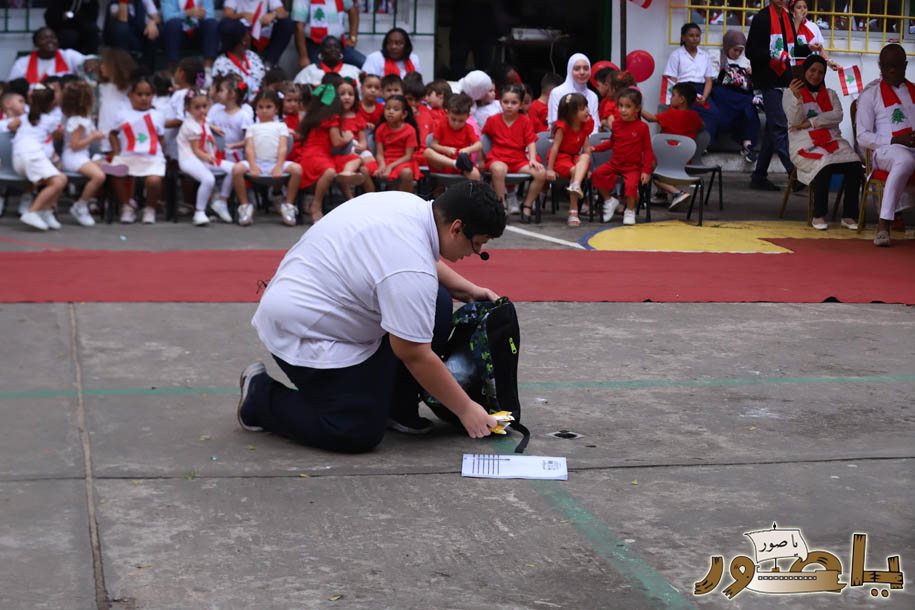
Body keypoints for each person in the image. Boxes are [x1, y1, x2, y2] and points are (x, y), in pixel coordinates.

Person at [237, 182, 506, 452]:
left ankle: (397, 407)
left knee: (437, 301)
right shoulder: (410, 269)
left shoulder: (412, 209)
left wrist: (468, 290)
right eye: (477, 244)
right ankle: (259, 397)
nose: (474, 253)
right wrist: (466, 408)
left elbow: (418, 262)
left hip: (312, 298)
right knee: (355, 428)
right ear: (456, 228)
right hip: (303, 330)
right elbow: (413, 353)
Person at [784, 55, 861, 231]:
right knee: (823, 163)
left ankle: (849, 215)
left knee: (855, 164)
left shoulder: (831, 94)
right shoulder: (790, 93)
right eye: (812, 70)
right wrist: (798, 98)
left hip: (831, 139)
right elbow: (795, 121)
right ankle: (818, 215)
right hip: (804, 142)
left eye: (820, 72)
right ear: (805, 72)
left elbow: (837, 116)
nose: (816, 75)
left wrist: (811, 122)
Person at [746, 0, 810, 190]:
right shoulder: (762, 18)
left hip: (785, 78)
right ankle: (794, 173)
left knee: (772, 129)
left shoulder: (786, 18)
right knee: (780, 126)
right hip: (768, 79)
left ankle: (758, 176)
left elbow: (789, 50)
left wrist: (808, 49)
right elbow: (751, 51)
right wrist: (773, 54)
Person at [856, 43, 915, 247]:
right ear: (880, 66)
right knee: (905, 160)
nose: (891, 70)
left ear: (905, 66)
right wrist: (894, 140)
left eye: (896, 66)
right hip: (886, 150)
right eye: (887, 66)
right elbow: (862, 136)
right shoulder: (870, 95)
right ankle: (884, 224)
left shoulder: (913, 90)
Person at [293, 83, 364, 222]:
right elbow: (337, 142)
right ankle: (316, 206)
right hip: (316, 156)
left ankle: (346, 174)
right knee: (330, 171)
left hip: (314, 155)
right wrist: (348, 137)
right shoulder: (332, 118)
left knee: (354, 159)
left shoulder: (312, 117)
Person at [231, 89, 303, 226]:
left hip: (276, 163)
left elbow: (283, 147)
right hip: (257, 163)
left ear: (276, 108)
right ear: (255, 108)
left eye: (268, 107)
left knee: (297, 169)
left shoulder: (281, 126)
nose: (264, 111)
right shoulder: (252, 127)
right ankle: (245, 205)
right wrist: (252, 165)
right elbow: (249, 148)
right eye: (260, 107)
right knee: (237, 169)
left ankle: (288, 205)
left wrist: (278, 166)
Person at [482, 84, 546, 224]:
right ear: (500, 102)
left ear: (521, 104)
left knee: (541, 173)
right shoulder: (492, 120)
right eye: (506, 102)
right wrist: (481, 159)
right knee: (498, 170)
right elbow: (482, 139)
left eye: (514, 102)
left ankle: (527, 205)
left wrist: (533, 159)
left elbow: (531, 141)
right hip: (498, 158)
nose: (509, 106)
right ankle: (502, 206)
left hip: (518, 160)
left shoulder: (525, 121)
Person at [109, 70, 167, 225]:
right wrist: (116, 151)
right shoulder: (122, 114)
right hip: (128, 155)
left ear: (152, 96)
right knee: (116, 173)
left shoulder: (158, 115)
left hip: (152, 156)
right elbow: (112, 133)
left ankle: (150, 208)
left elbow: (161, 138)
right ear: (131, 95)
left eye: (147, 95)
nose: (143, 98)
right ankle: (127, 206)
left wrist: (162, 156)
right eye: (139, 94)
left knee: (154, 181)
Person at [6, 87, 68, 231]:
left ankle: (45, 211)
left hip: (21, 158)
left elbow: (10, 125)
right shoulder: (51, 120)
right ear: (52, 104)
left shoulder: (23, 118)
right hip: (32, 157)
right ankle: (32, 211)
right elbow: (59, 135)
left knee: (62, 178)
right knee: (58, 182)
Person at [591, 88, 655, 226]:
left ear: (637, 108)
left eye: (627, 106)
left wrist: (646, 170)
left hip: (632, 167)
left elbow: (648, 150)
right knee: (596, 174)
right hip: (614, 164)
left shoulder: (642, 127)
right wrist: (595, 148)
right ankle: (609, 200)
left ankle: (630, 210)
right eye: (620, 106)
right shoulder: (616, 124)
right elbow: (611, 143)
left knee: (631, 185)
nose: (623, 110)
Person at [641, 83, 704, 211]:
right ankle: (661, 194)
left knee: (653, 173)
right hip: (685, 159)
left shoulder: (670, 114)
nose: (670, 98)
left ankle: (677, 193)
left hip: (666, 159)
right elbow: (702, 127)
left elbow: (650, 118)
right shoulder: (694, 116)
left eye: (673, 95)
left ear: (681, 100)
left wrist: (637, 107)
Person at [177, 88, 235, 226]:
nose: (202, 110)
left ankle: (221, 200)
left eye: (205, 106)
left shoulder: (202, 119)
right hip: (190, 158)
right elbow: (196, 150)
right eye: (197, 107)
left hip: (205, 157)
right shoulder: (190, 126)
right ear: (188, 108)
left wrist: (212, 127)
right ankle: (199, 212)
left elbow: (206, 122)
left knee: (235, 169)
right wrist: (208, 157)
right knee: (208, 179)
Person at [60, 80, 113, 227]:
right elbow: (75, 145)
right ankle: (80, 206)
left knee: (106, 165)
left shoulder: (84, 119)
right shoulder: (77, 121)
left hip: (82, 156)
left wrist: (95, 134)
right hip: (73, 157)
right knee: (99, 176)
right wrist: (93, 137)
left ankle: (102, 165)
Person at [662, 23, 720, 142]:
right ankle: (687, 143)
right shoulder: (676, 55)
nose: (695, 38)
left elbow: (708, 80)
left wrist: (704, 97)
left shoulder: (705, 55)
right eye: (691, 35)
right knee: (687, 114)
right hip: (683, 90)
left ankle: (705, 144)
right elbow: (672, 79)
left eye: (697, 36)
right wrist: (677, 97)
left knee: (713, 113)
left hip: (701, 90)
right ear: (683, 37)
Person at [711, 30, 760, 163]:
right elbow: (713, 78)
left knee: (749, 108)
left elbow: (753, 83)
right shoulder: (716, 56)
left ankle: (748, 145)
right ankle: (753, 100)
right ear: (727, 46)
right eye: (735, 50)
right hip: (725, 97)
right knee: (721, 92)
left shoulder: (746, 61)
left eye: (740, 51)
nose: (737, 54)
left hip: (741, 95)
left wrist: (752, 74)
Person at [545, 92, 593, 227]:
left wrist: (587, 169)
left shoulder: (585, 126)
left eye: (586, 107)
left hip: (575, 157)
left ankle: (575, 185)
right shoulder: (562, 127)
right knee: (574, 171)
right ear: (571, 113)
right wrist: (549, 169)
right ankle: (573, 212)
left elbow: (587, 149)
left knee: (584, 157)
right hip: (561, 157)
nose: (587, 111)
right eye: (582, 108)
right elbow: (554, 148)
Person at [424, 92, 482, 181]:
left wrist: (468, 150)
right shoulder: (442, 125)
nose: (456, 123)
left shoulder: (468, 128)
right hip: (444, 162)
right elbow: (433, 144)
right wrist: (445, 149)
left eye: (461, 120)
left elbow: (478, 145)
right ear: (447, 114)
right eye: (453, 119)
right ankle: (455, 163)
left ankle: (471, 193)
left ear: (467, 117)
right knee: (427, 152)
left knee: (476, 175)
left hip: (463, 164)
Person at [292, 0, 365, 70]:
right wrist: (303, 56)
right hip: (316, 46)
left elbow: (353, 10)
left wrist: (353, 38)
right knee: (318, 74)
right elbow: (299, 27)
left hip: (339, 45)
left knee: (365, 65)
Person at [221, 0, 294, 68]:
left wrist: (273, 14)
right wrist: (242, 15)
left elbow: (283, 12)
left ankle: (269, 63)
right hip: (242, 29)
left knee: (286, 24)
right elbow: (227, 14)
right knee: (226, 24)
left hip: (262, 29)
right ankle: (234, 61)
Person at [373, 94, 421, 192]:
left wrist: (390, 166)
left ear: (404, 114)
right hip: (385, 160)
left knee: (406, 173)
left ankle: (405, 202)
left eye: (395, 109)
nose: (390, 112)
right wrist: (382, 164)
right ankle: (372, 201)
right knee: (364, 170)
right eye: (388, 108)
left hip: (403, 162)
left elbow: (408, 156)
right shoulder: (380, 128)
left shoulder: (410, 130)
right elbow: (379, 153)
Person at [212, 19, 266, 103]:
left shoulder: (253, 57)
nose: (249, 36)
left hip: (261, 105)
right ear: (243, 40)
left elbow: (263, 83)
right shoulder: (221, 64)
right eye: (247, 34)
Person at [8, 27, 86, 84]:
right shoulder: (22, 63)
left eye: (53, 37)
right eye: (44, 38)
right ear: (36, 44)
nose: (50, 41)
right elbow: (13, 86)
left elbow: (89, 63)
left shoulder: (68, 55)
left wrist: (91, 61)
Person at [207, 74, 254, 164]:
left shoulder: (243, 116)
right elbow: (204, 125)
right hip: (216, 156)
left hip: (235, 158)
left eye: (221, 90)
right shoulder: (217, 111)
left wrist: (233, 146)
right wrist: (212, 127)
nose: (218, 93)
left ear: (231, 94)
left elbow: (250, 140)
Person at [547, 54, 599, 134]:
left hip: (589, 141)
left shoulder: (593, 96)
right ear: (570, 70)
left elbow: (595, 126)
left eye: (586, 68)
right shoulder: (557, 93)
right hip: (563, 141)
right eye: (577, 69)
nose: (582, 72)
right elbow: (555, 123)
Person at [160, 0, 219, 70]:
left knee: (211, 23)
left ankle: (207, 69)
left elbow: (210, 14)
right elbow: (168, 17)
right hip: (178, 33)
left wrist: (203, 14)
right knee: (173, 25)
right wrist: (187, 13)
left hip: (198, 33)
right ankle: (173, 70)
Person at [104, 0, 161, 70]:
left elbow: (157, 18)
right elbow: (123, 19)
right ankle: (125, 69)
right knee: (122, 28)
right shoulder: (114, 4)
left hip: (138, 34)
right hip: (119, 37)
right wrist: (123, 1)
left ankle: (147, 69)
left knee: (153, 30)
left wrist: (152, 23)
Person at [294, 35, 361, 86]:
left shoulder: (353, 71)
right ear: (321, 52)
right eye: (328, 47)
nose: (333, 49)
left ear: (341, 52)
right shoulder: (309, 71)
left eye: (336, 47)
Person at [790, 0, 837, 69]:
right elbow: (790, 42)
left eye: (805, 7)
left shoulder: (813, 26)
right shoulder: (788, 25)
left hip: (813, 67)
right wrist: (797, 22)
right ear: (792, 11)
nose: (803, 10)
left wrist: (829, 62)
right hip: (796, 67)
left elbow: (820, 49)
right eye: (799, 7)